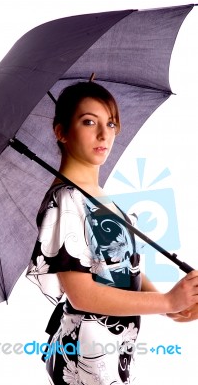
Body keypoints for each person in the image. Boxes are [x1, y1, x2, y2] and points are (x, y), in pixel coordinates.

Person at [26, 81, 198, 385]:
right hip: (87, 357)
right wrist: (169, 302)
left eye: (111, 123)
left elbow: (124, 269)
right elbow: (82, 295)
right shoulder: (66, 201)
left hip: (114, 351)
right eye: (89, 122)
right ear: (61, 132)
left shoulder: (99, 196)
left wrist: (172, 307)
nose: (104, 134)